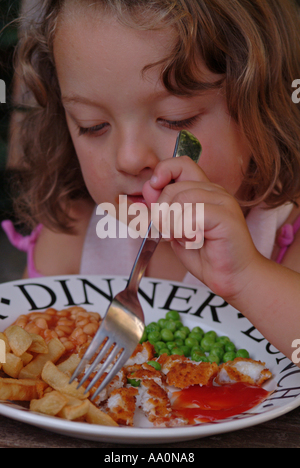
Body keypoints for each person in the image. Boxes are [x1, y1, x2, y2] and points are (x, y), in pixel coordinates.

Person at [2, 0, 300, 362]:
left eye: (177, 119)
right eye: (91, 125)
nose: (128, 158)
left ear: (264, 108)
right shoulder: (73, 230)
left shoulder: (286, 233)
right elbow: (19, 352)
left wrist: (247, 277)